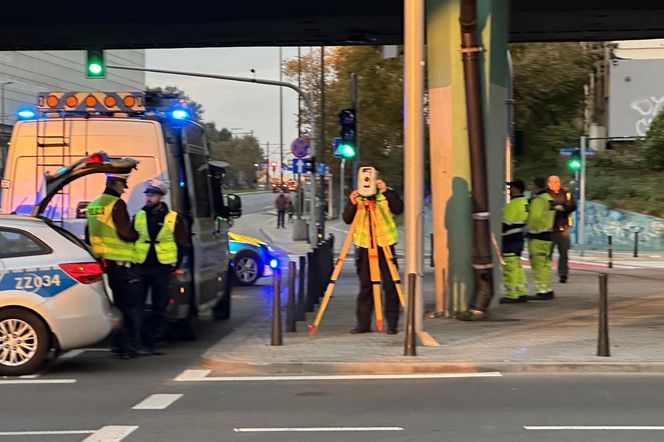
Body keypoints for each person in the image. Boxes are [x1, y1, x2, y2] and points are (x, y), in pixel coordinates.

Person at [86, 174, 141, 359]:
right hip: (120, 263)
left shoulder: (93, 205)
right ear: (115, 185)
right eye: (123, 186)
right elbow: (125, 232)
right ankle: (128, 347)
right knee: (127, 306)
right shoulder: (116, 204)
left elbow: (88, 235)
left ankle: (117, 344)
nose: (124, 190)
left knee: (114, 306)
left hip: (102, 263)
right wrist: (136, 235)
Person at [133, 182, 189, 355]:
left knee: (159, 306)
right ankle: (140, 341)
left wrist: (176, 265)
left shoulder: (173, 218)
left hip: (162, 267)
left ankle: (155, 342)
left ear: (161, 197)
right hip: (141, 265)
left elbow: (182, 243)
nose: (149, 197)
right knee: (138, 306)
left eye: (153, 194)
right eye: (148, 194)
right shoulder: (139, 216)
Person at [343, 175, 403, 335]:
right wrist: (352, 203)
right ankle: (363, 324)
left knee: (391, 286)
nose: (368, 183)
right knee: (365, 287)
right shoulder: (357, 197)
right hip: (364, 245)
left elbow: (398, 209)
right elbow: (347, 219)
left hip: (385, 245)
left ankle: (392, 324)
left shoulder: (387, 195)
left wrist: (385, 190)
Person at [500, 179, 529, 304]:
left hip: (509, 239)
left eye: (510, 188)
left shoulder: (513, 204)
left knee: (510, 267)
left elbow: (505, 224)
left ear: (516, 189)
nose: (509, 190)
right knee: (517, 266)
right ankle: (521, 291)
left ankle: (511, 293)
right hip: (519, 238)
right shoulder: (525, 203)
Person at [527, 177, 555, 301]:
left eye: (532, 184)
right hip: (547, 236)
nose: (531, 187)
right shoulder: (548, 199)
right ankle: (548, 289)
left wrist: (530, 231)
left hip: (537, 237)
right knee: (545, 264)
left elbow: (535, 218)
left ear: (536, 186)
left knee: (538, 265)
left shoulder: (538, 200)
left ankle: (542, 291)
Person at [547, 175, 577, 283]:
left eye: (558, 181)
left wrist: (562, 207)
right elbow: (544, 205)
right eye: (554, 182)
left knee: (564, 253)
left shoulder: (566, 193)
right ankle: (546, 274)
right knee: (547, 254)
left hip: (563, 227)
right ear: (549, 183)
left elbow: (572, 206)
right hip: (549, 227)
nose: (557, 183)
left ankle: (563, 274)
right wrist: (556, 206)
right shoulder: (545, 194)